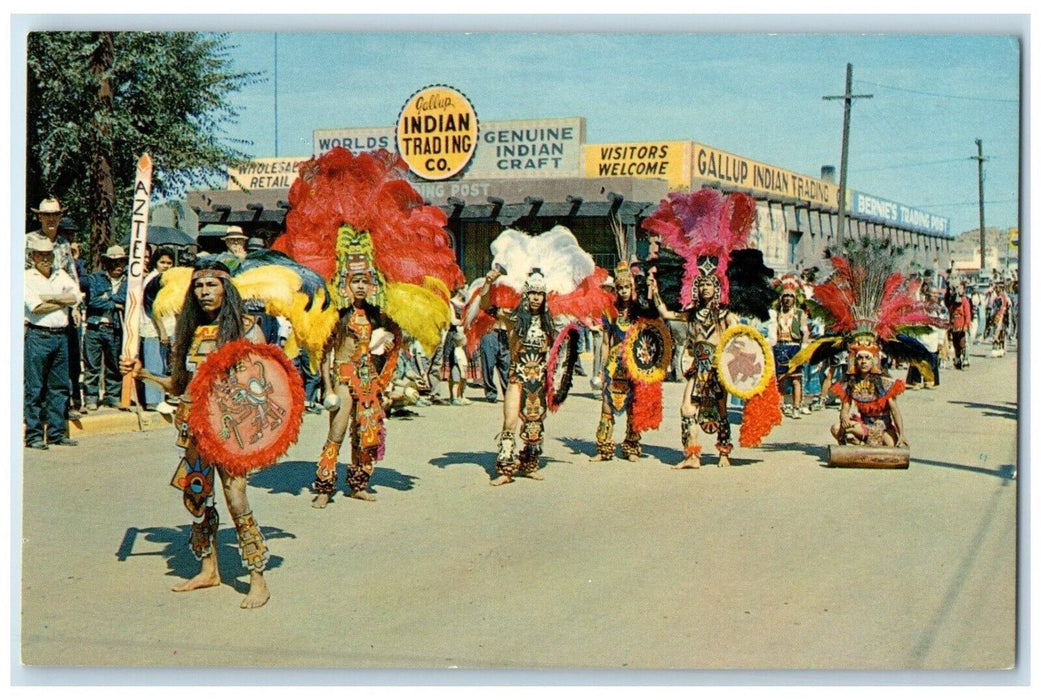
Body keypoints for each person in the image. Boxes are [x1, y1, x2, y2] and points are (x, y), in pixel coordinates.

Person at [119, 258, 272, 609]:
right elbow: (177, 385)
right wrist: (142, 374)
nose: (205, 292)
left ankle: (257, 579)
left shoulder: (248, 329)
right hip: (193, 430)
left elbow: (264, 387)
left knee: (236, 500)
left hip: (229, 431)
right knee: (198, 499)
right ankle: (209, 569)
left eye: (212, 285)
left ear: (226, 289)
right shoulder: (187, 333)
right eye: (199, 286)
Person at [312, 262, 401, 507]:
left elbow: (382, 349)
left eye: (364, 282)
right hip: (342, 378)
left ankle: (358, 485)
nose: (360, 287)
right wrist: (328, 388)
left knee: (365, 436)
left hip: (369, 380)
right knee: (337, 432)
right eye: (355, 281)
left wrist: (387, 351)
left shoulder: (375, 315)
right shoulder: (336, 315)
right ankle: (324, 487)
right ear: (346, 284)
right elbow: (324, 354)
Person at [648, 266, 736, 468]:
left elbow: (738, 333)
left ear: (716, 288)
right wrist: (655, 291)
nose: (705, 288)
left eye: (709, 284)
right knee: (687, 409)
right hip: (697, 369)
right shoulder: (691, 314)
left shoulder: (724, 314)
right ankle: (692, 455)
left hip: (716, 369)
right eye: (702, 284)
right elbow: (666, 314)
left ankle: (724, 453)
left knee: (721, 411)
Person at [481, 266, 555, 485]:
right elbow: (486, 306)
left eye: (539, 294)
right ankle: (505, 470)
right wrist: (488, 282)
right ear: (525, 294)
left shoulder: (548, 323)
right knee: (510, 421)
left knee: (534, 425)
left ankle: (529, 465)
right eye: (532, 293)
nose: (535, 298)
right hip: (517, 379)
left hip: (538, 383)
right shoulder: (513, 318)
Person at [591, 262, 664, 462]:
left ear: (632, 289)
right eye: (620, 288)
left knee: (634, 405)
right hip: (615, 364)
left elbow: (654, 330)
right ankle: (603, 448)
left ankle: (631, 446)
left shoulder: (640, 310)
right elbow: (606, 342)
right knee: (607, 404)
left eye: (627, 288)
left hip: (636, 363)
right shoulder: (610, 311)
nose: (623, 291)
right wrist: (601, 370)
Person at [24, 237, 82, 449]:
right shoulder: (26, 278)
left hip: (61, 335)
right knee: (35, 387)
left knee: (59, 386)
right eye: (40, 255)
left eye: (48, 255)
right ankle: (34, 435)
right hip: (38, 335)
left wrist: (51, 298)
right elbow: (35, 307)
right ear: (33, 257)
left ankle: (57, 433)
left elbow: (76, 297)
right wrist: (61, 301)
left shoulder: (61, 275)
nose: (45, 259)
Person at [831, 339, 909, 448]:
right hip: (864, 427)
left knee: (890, 445)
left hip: (884, 427)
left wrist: (901, 435)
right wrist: (844, 416)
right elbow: (845, 408)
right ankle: (859, 443)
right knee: (836, 428)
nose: (863, 362)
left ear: (874, 361)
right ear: (854, 361)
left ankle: (861, 443)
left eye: (867, 358)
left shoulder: (884, 383)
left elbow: (895, 411)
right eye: (860, 358)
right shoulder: (850, 383)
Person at [80, 245, 128, 410]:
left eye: (121, 261)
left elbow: (124, 299)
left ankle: (112, 396)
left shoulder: (128, 281)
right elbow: (93, 301)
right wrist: (114, 303)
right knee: (92, 365)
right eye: (113, 262)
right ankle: (91, 397)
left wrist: (108, 299)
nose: (117, 265)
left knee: (114, 364)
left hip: (115, 328)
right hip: (95, 327)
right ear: (106, 263)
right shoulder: (96, 279)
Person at [767, 278, 811, 417]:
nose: (787, 299)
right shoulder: (776, 313)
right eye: (785, 295)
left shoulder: (799, 313)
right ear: (781, 298)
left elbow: (805, 332)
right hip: (779, 347)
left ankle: (796, 407)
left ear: (795, 298)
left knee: (796, 379)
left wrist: (804, 347)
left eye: (790, 296)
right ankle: (780, 406)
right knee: (780, 379)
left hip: (794, 348)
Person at [444, 285, 472, 405]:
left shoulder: (467, 304)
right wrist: (465, 321)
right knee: (455, 365)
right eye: (465, 288)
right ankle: (453, 396)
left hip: (465, 337)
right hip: (454, 337)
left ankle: (462, 394)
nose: (466, 291)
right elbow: (452, 320)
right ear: (459, 290)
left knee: (465, 367)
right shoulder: (451, 303)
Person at [946, 281, 973, 370]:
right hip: (955, 323)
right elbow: (950, 312)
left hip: (962, 323)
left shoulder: (964, 300)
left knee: (963, 342)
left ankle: (965, 359)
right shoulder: (952, 300)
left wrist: (966, 324)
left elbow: (968, 314)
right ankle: (957, 359)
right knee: (955, 343)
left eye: (960, 288)